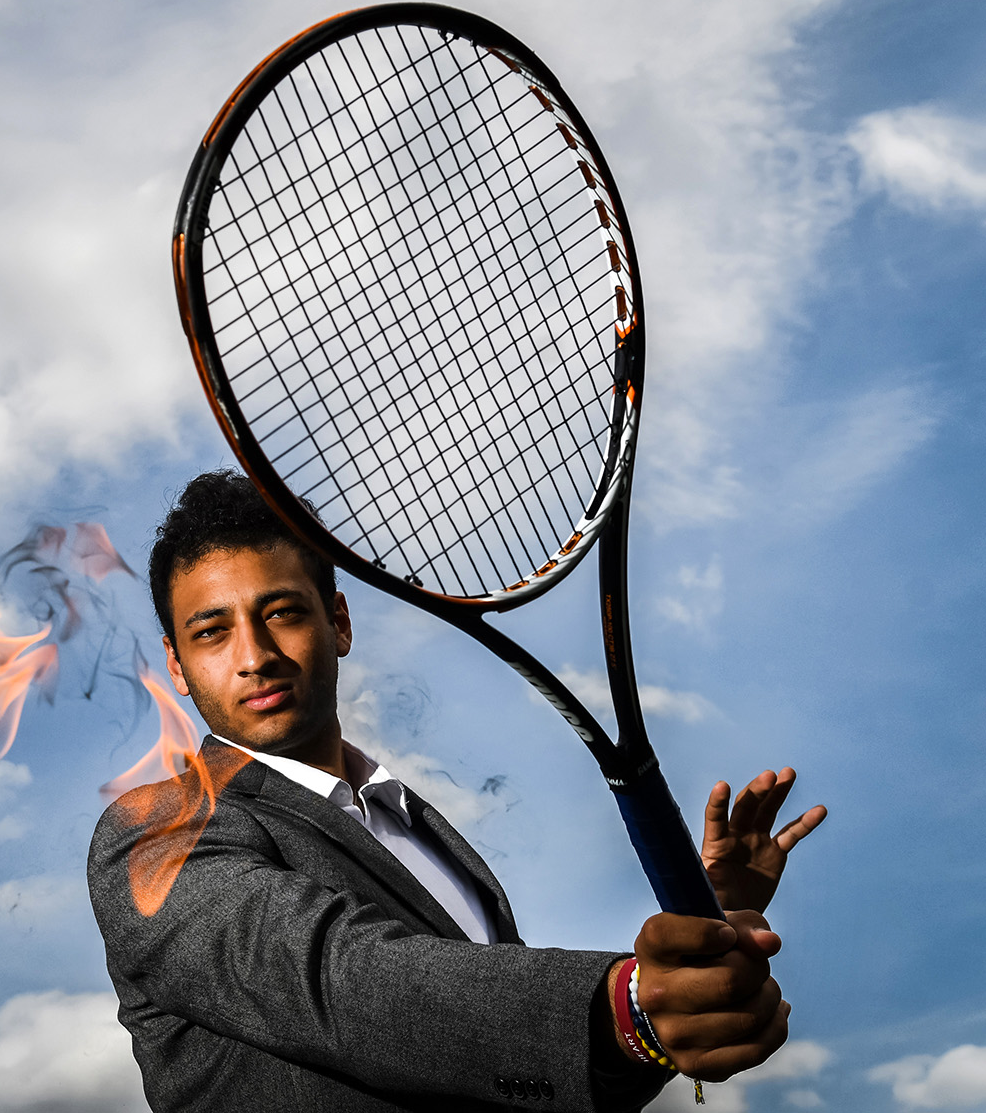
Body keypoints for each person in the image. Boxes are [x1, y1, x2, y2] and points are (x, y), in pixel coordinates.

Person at [88, 470, 826, 1112]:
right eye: (212, 632)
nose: (254, 656)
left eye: (281, 612)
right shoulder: (156, 831)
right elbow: (339, 981)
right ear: (178, 666)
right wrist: (631, 1004)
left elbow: (522, 1072)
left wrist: (704, 944)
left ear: (337, 621)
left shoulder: (427, 837)